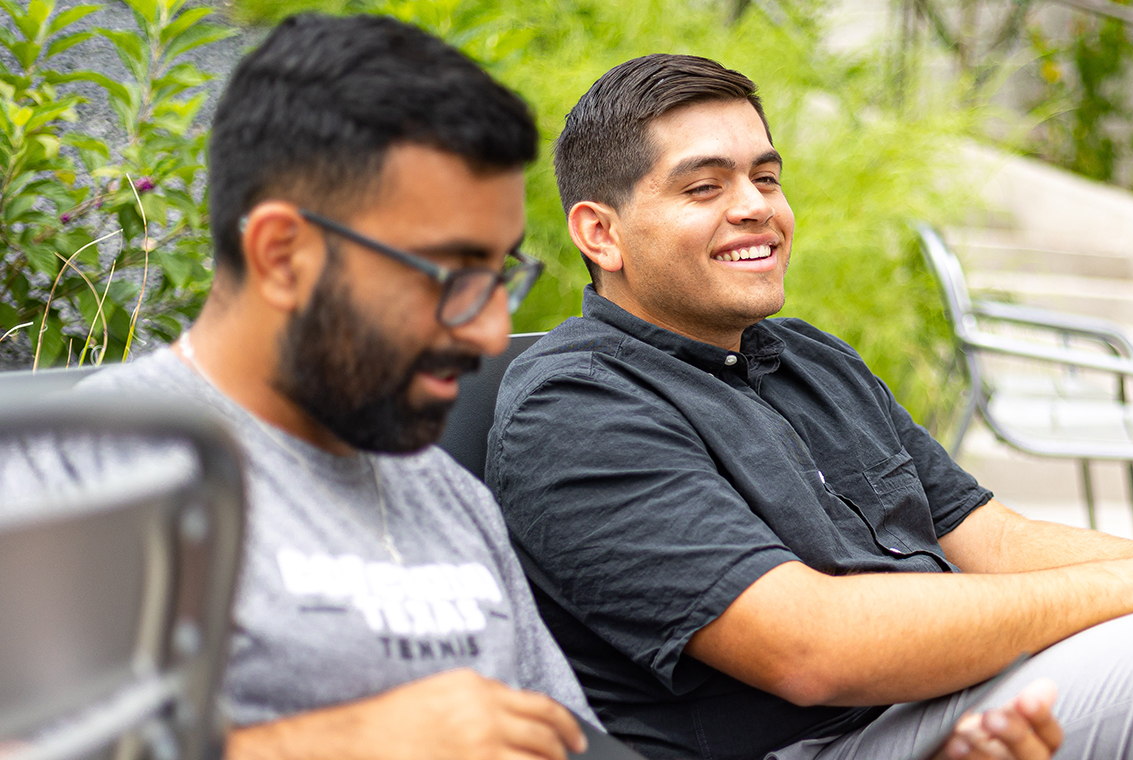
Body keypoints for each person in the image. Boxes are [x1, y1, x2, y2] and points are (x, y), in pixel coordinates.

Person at [1, 16, 1058, 760]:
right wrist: (328, 743)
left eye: (503, 275)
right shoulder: (88, 466)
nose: (496, 330)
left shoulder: (444, 499)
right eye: (451, 275)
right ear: (283, 255)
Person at [487, 53, 1133, 760]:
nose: (756, 208)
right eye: (705, 186)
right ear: (599, 232)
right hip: (809, 741)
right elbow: (808, 648)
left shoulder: (805, 359)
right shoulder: (574, 406)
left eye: (766, 178)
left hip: (928, 701)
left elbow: (991, 537)